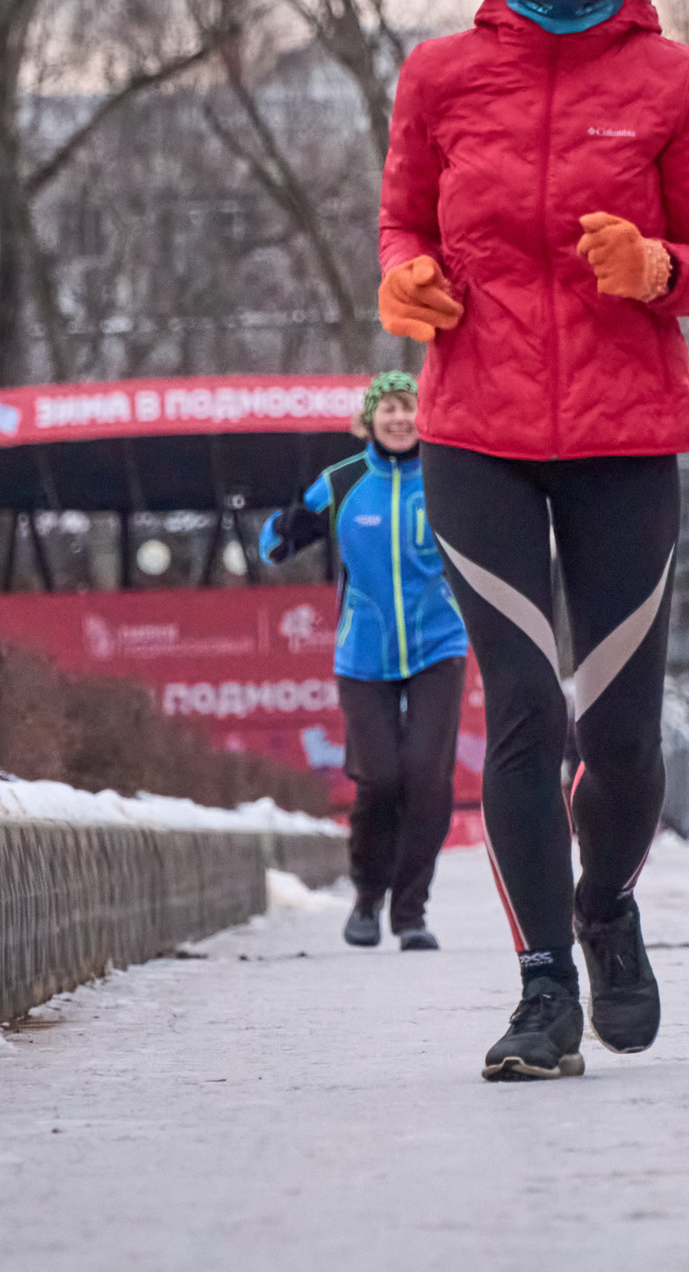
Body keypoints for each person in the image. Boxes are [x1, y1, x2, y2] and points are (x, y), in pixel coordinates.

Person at [381, 0, 689, 1081]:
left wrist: (657, 269)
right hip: (474, 431)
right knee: (527, 710)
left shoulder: (676, 84)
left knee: (624, 736)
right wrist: (405, 282)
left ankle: (605, 910)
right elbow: (399, 228)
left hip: (622, 435)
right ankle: (543, 988)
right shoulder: (438, 78)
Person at [257, 371, 469, 952]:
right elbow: (271, 547)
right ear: (369, 420)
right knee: (379, 778)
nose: (400, 419)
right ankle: (368, 897)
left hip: (439, 645)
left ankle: (411, 912)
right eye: (388, 409)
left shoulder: (450, 475)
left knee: (427, 776)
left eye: (409, 408)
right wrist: (286, 526)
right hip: (364, 653)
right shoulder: (344, 480)